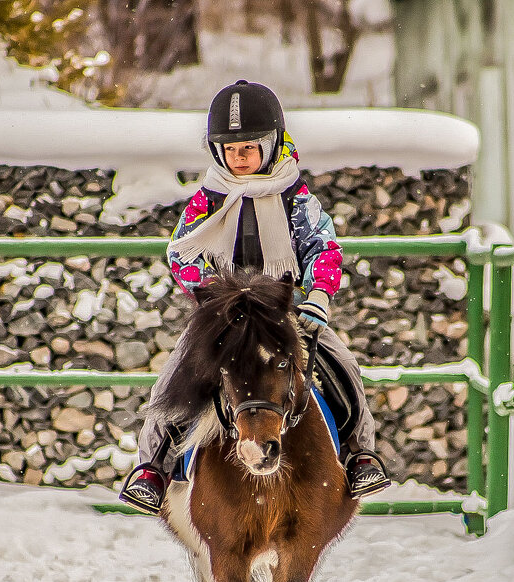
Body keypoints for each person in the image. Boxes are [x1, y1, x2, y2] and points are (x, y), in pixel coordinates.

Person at [119, 79, 390, 514]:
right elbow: (181, 251)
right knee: (175, 376)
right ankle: (153, 467)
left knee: (343, 366)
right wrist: (212, 295)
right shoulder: (206, 201)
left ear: (273, 145)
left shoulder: (297, 200)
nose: (239, 158)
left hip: (287, 311)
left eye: (249, 147)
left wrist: (319, 293)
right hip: (224, 313)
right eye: (229, 149)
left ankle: (359, 453)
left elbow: (323, 246)